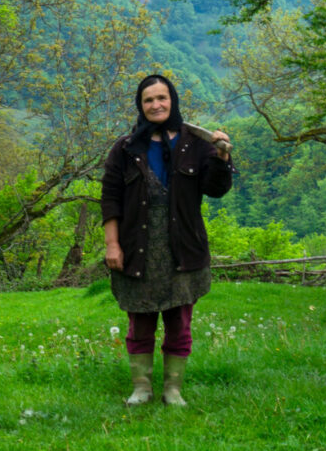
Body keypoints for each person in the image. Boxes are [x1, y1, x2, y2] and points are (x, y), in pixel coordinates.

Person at [99, 74, 233, 407]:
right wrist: (112, 244)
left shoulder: (196, 143)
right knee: (140, 322)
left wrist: (222, 157)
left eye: (162, 98)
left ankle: (173, 390)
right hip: (137, 248)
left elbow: (216, 189)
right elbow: (110, 198)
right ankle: (141, 388)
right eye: (148, 100)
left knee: (179, 323)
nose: (156, 105)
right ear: (140, 106)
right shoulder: (126, 148)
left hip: (183, 247)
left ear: (172, 100)